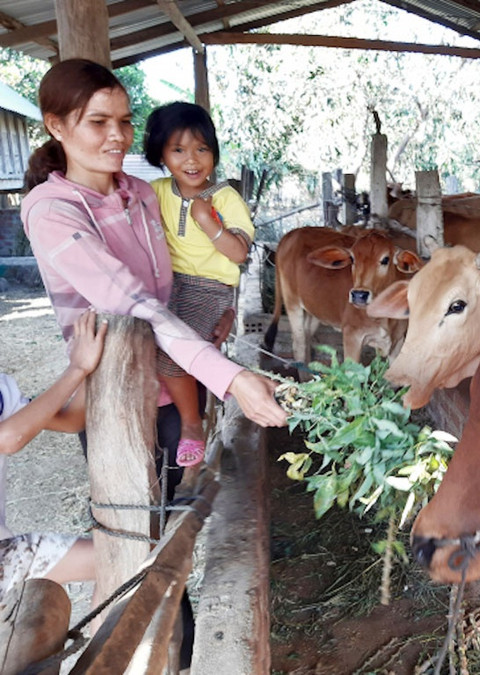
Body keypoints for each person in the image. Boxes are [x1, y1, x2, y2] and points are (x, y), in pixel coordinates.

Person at [21, 58, 287, 489]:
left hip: (181, 368)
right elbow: (133, 303)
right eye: (98, 122)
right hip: (117, 389)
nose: (117, 136)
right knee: (133, 527)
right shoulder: (52, 209)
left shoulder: (142, 193)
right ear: (56, 125)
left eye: (125, 122)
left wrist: (217, 316)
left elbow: (180, 275)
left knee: (178, 511)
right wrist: (232, 376)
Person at [142, 102, 255, 467]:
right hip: (166, 285)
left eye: (201, 149)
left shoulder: (224, 198)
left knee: (172, 356)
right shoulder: (156, 191)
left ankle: (192, 423)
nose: (192, 160)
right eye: (178, 150)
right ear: (160, 153)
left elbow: (238, 253)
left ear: (214, 152)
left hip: (207, 288)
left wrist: (209, 223)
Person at [0, 310, 106, 599]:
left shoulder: (1, 389)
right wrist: (76, 369)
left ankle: (103, 645)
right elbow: (8, 439)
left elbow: (71, 419)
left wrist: (88, 366)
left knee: (119, 562)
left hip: (4, 556)